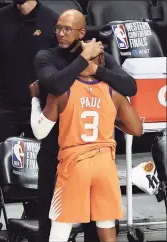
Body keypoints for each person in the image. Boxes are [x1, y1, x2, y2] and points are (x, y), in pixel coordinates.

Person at [33, 9, 137, 242]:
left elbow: (130, 86)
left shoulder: (99, 58)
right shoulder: (46, 56)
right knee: (49, 222)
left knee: (94, 226)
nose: (60, 33)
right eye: (58, 28)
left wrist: (96, 69)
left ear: (81, 32)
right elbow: (54, 84)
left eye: (67, 29)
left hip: (91, 154)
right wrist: (84, 59)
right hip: (56, 153)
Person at [0, 0, 58, 241]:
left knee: (39, 166)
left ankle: (33, 222)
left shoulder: (51, 19)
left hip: (39, 107)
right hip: (5, 104)